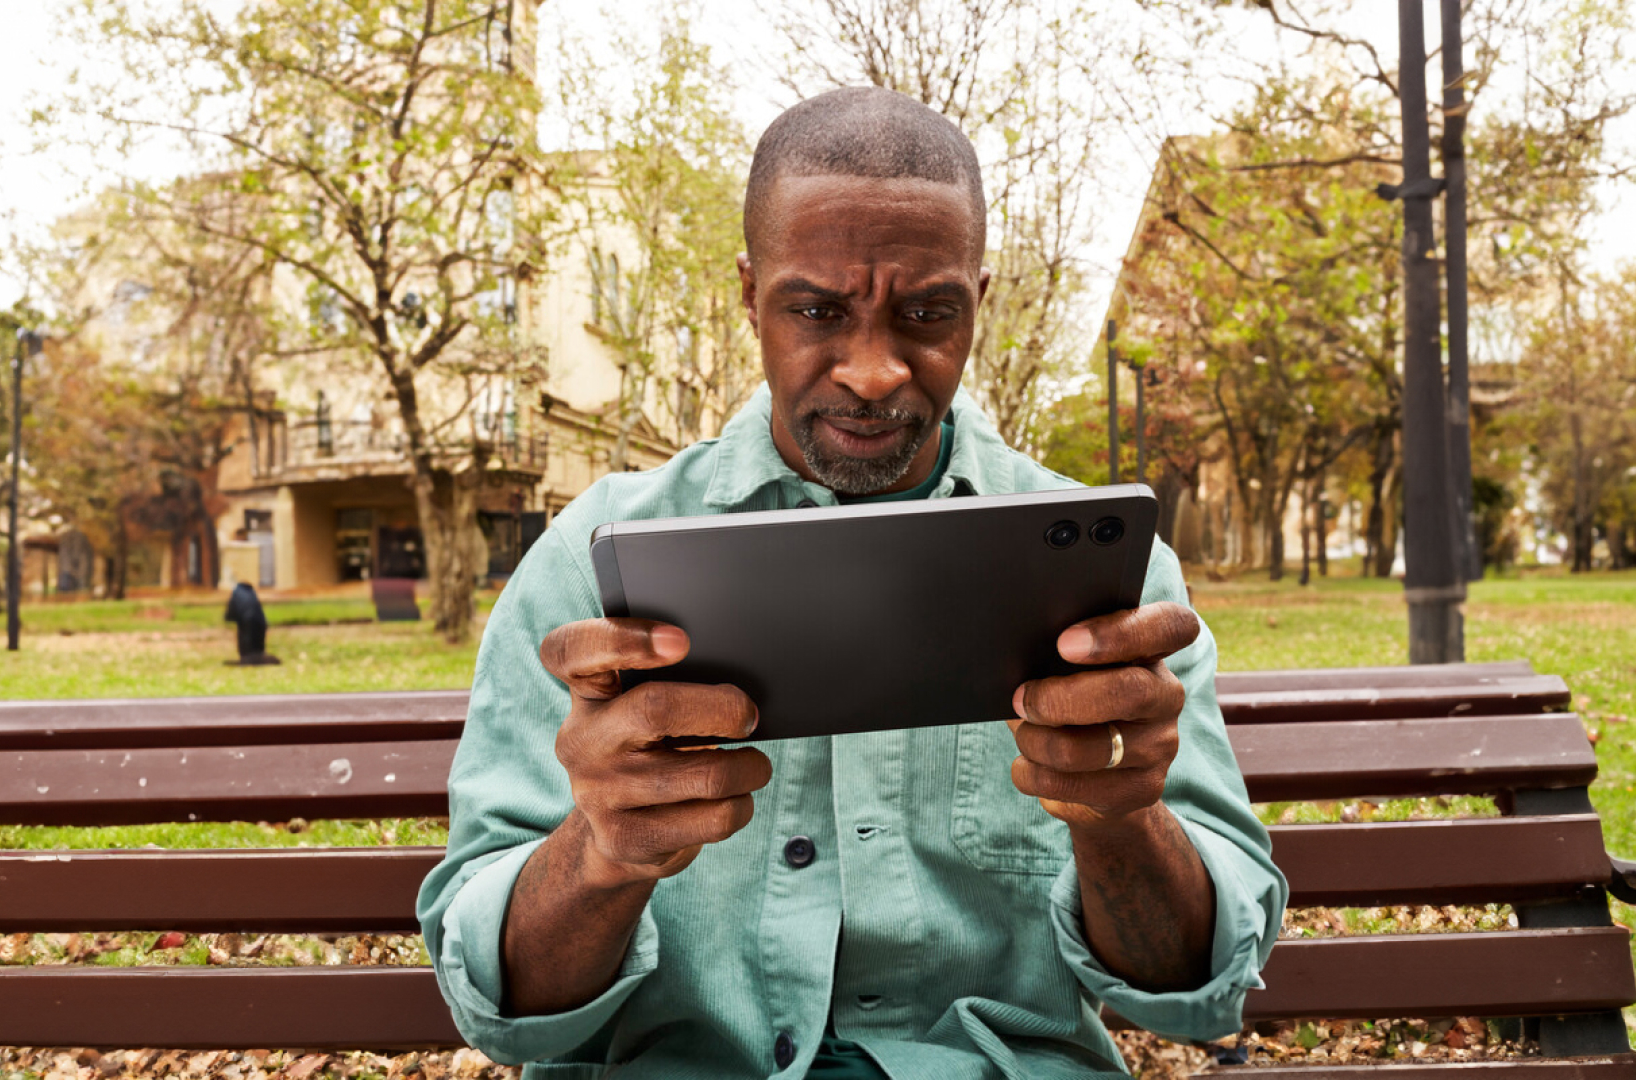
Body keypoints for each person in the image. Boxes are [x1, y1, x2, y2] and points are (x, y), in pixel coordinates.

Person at [418, 87, 1285, 1079]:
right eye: (818, 310)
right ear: (749, 295)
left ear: (979, 302)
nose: (874, 370)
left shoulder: (1112, 582)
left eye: (927, 313)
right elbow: (500, 1008)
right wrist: (603, 851)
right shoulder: (591, 561)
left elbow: (1197, 989)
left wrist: (1123, 816)